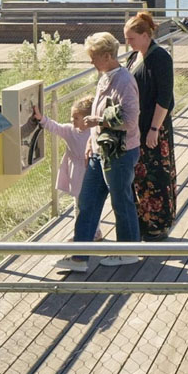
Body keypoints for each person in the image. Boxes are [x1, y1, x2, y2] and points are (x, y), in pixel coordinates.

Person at [58, 32, 141, 272]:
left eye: (94, 57)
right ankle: (79, 257)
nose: (91, 62)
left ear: (107, 56)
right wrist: (89, 143)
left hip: (120, 153)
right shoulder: (105, 76)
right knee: (88, 201)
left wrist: (96, 121)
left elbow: (130, 120)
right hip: (99, 150)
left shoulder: (124, 81)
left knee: (121, 201)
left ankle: (128, 252)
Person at [124, 11, 178, 241]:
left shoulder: (160, 58)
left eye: (131, 38)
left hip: (154, 128)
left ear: (146, 35)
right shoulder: (133, 57)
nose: (128, 43)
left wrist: (154, 129)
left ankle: (158, 224)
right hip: (136, 128)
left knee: (157, 175)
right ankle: (142, 221)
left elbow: (164, 98)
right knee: (138, 175)